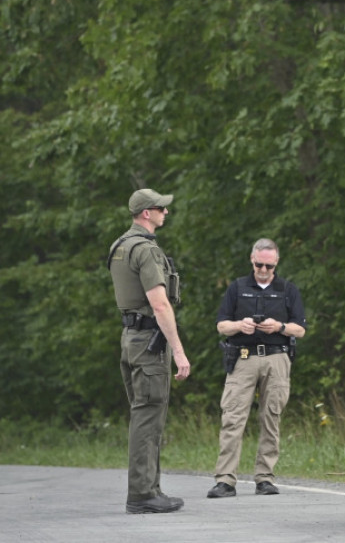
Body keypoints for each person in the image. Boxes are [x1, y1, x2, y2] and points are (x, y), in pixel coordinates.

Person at [108, 188, 191, 514]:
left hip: (130, 338)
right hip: (148, 342)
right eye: (160, 208)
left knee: (144, 413)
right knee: (148, 415)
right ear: (146, 213)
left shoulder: (120, 246)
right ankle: (143, 494)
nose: (165, 212)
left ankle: (150, 488)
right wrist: (179, 351)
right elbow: (159, 303)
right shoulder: (145, 250)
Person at [207, 238, 306, 499]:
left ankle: (265, 477)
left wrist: (279, 327)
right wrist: (241, 325)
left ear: (276, 263)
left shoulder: (288, 289)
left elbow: (301, 329)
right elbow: (221, 325)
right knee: (232, 417)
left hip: (277, 358)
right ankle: (225, 480)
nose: (263, 270)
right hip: (243, 358)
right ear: (252, 260)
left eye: (268, 266)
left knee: (271, 417)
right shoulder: (237, 288)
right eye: (259, 264)